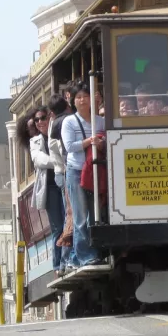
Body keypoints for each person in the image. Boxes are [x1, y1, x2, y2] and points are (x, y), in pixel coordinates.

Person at [61, 82, 105, 267]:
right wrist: (89, 141)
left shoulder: (100, 121)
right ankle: (84, 256)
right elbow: (70, 146)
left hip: (95, 170)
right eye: (78, 97)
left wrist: (100, 144)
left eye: (84, 96)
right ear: (73, 101)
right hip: (75, 171)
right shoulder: (69, 122)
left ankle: (92, 252)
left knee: (95, 214)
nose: (81, 100)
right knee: (80, 216)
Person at [28, 106, 66, 275]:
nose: (40, 122)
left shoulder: (58, 131)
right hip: (50, 187)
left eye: (43, 118)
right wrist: (57, 161)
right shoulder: (35, 141)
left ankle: (68, 259)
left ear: (49, 117)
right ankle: (58, 264)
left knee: (68, 222)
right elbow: (39, 160)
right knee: (57, 226)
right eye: (37, 120)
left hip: (64, 182)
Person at [48, 94, 74, 272]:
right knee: (70, 215)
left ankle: (63, 261)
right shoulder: (65, 123)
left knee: (68, 216)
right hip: (65, 171)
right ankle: (65, 260)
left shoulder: (55, 124)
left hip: (63, 171)